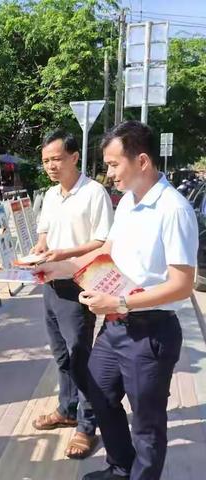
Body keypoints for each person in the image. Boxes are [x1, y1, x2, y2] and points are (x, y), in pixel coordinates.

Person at [35, 121, 198, 480]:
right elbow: (107, 252)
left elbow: (183, 285)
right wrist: (59, 267)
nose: (108, 175)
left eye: (113, 165)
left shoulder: (173, 210)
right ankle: (120, 467)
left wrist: (121, 304)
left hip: (150, 331)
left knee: (146, 422)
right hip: (115, 326)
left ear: (141, 161)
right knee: (98, 394)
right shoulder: (126, 203)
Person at [31, 130, 114, 459]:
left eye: (56, 159)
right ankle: (66, 409)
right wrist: (38, 252)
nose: (51, 166)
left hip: (79, 287)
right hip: (50, 285)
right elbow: (43, 235)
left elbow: (102, 242)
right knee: (62, 357)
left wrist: (65, 254)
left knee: (81, 360)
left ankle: (86, 426)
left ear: (74, 157)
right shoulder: (51, 195)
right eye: (46, 161)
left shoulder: (94, 193)